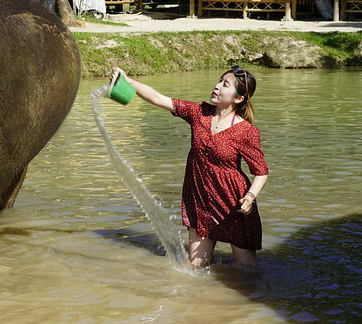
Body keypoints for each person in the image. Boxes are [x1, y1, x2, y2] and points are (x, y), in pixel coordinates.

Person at [111, 65, 269, 268]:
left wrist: (249, 198)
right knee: (196, 267)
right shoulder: (199, 113)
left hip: (233, 204)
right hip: (200, 197)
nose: (217, 86)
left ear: (238, 99)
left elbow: (261, 171)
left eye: (225, 84)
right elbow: (159, 98)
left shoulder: (246, 131)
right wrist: (128, 81)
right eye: (219, 80)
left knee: (246, 270)